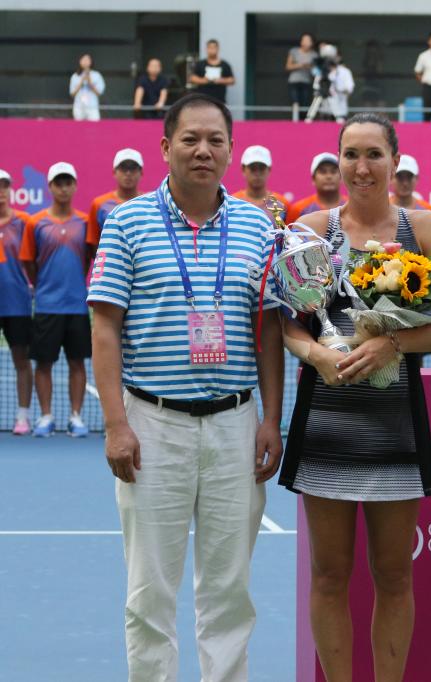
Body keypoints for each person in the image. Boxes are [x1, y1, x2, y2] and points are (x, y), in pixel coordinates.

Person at [88, 93, 284, 681]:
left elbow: (269, 329)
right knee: (149, 591)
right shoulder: (126, 221)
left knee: (229, 590)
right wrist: (117, 424)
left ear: (230, 149)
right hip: (152, 426)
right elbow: (104, 326)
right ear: (165, 146)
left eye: (215, 140)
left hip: (235, 425)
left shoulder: (258, 225)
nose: (203, 150)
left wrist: (270, 418)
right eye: (191, 139)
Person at [277, 112, 431, 682]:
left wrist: (393, 345)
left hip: (396, 425)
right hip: (326, 422)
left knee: (394, 575)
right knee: (329, 575)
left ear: (395, 161)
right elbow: (288, 324)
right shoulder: (311, 228)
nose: (362, 167)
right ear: (337, 161)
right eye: (351, 154)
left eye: (373, 154)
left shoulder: (424, 228)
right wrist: (316, 355)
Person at [19, 162, 91, 438]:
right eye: (58, 183)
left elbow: (89, 259)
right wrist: (44, 286)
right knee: (44, 363)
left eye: (68, 182)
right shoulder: (35, 222)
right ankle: (46, 416)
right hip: (47, 305)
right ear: (50, 187)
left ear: (75, 186)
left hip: (77, 305)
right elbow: (29, 262)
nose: (63, 188)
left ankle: (76, 417)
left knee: (77, 362)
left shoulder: (85, 222)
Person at [0, 169, 34, 435]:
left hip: (17, 304)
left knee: (21, 360)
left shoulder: (24, 222)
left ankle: (22, 417)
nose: (0, 191)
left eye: (4, 186)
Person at [87, 148, 145, 247]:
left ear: (141, 173)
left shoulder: (150, 203)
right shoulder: (99, 204)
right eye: (123, 168)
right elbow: (94, 245)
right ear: (114, 172)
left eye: (133, 168)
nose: (128, 173)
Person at [232, 145, 290, 221]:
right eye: (253, 168)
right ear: (243, 169)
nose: (257, 173)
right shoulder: (232, 202)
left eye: (262, 168)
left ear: (269, 169)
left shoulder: (282, 204)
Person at [287, 152, 345, 224]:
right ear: (313, 179)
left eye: (333, 172)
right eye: (323, 172)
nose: (329, 176)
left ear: (341, 177)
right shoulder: (298, 209)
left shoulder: (352, 207)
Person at [190, 39, 235, 103]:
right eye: (210, 48)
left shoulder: (224, 65)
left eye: (214, 48)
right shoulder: (200, 64)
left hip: (219, 100)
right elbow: (192, 78)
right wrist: (204, 80)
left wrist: (221, 80)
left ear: (218, 49)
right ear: (206, 49)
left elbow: (232, 80)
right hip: (203, 100)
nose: (212, 50)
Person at [286, 33, 317, 116]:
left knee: (305, 103)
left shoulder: (314, 55)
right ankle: (295, 120)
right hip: (294, 81)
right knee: (295, 102)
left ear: (312, 43)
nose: (306, 42)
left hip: (306, 82)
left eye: (308, 40)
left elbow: (316, 71)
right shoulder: (294, 51)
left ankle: (303, 121)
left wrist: (309, 66)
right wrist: (300, 65)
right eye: (304, 40)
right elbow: (288, 66)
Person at [70, 54, 105, 121]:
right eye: (83, 59)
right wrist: (81, 82)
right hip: (79, 106)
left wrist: (89, 81)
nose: (85, 61)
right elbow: (72, 94)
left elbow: (99, 93)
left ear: (91, 62)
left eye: (87, 60)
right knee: (78, 126)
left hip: (92, 106)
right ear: (80, 61)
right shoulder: (75, 76)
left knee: (94, 126)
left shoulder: (96, 75)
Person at [326, 53, 356, 124]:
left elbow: (350, 86)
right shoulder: (325, 70)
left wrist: (345, 91)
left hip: (340, 100)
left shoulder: (345, 71)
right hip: (327, 102)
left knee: (340, 118)